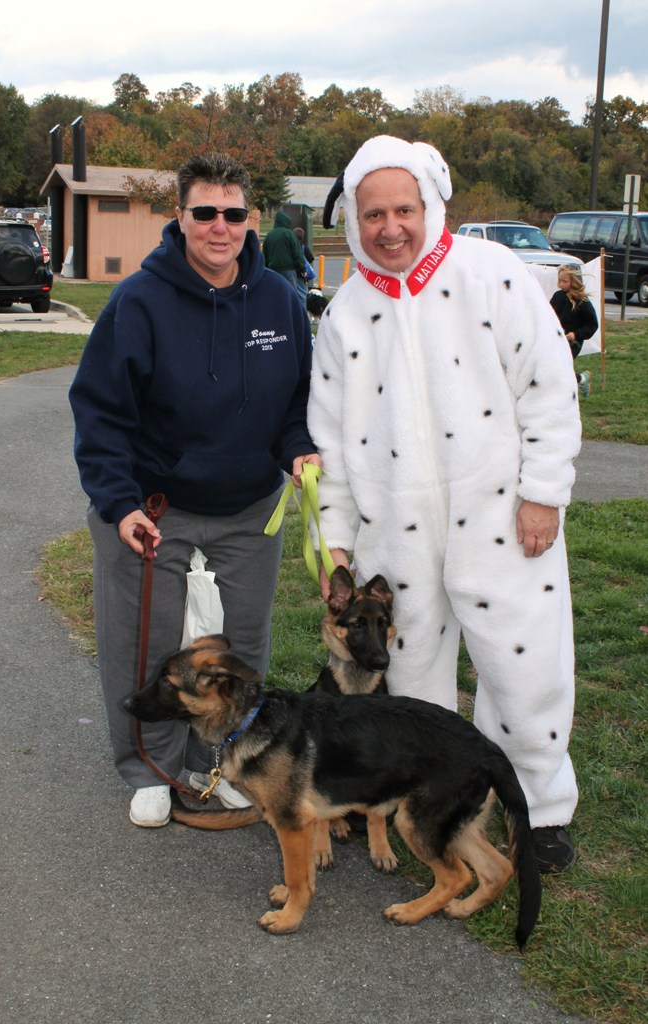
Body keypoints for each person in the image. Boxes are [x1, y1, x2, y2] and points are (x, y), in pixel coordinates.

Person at [307, 135, 582, 873]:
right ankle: (426, 803)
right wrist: (335, 540)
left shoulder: (493, 274)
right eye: (373, 214)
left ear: (430, 203)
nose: (389, 227)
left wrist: (543, 492)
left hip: (502, 514)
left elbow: (548, 386)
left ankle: (538, 809)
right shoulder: (345, 312)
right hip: (391, 530)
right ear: (355, 218)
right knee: (410, 674)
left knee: (523, 665)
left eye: (403, 209)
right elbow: (328, 439)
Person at [69, 152, 320, 828]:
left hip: (249, 506)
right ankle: (151, 769)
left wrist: (298, 447)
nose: (219, 227)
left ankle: (224, 765)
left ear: (251, 219)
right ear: (179, 217)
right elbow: (100, 412)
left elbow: (299, 402)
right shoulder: (138, 301)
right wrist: (119, 503)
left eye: (232, 214)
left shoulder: (280, 301)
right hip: (155, 507)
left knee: (241, 651)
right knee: (146, 647)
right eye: (204, 212)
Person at [550, 266, 599, 397]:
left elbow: (592, 324)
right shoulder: (557, 296)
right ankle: (581, 379)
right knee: (553, 367)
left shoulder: (582, 301)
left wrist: (575, 334)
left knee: (561, 368)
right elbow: (549, 315)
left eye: (564, 281)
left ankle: (573, 387)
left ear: (574, 281)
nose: (560, 284)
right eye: (559, 281)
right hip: (556, 339)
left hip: (573, 343)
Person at [262, 209, 307, 296]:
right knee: (290, 295)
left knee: (274, 294)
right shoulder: (289, 234)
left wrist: (265, 268)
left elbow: (264, 255)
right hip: (288, 270)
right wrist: (303, 268)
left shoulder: (269, 235)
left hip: (272, 270)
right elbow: (297, 253)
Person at [293, 226, 315, 308]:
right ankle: (303, 313)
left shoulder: (291, 247)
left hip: (292, 274)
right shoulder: (303, 247)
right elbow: (311, 258)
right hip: (302, 275)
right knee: (302, 296)